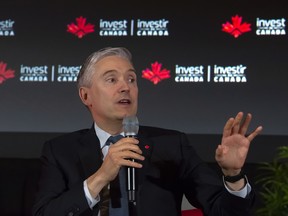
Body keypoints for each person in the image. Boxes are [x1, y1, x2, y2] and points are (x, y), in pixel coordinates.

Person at [32, 47, 263, 216]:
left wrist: (233, 176)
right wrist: (101, 176)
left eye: (131, 79)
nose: (125, 87)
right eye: (112, 79)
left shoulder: (173, 145)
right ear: (85, 96)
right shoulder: (60, 151)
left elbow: (224, 211)